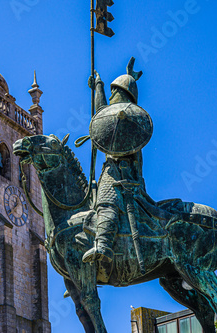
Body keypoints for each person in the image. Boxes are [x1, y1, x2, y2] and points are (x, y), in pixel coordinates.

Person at [82, 58, 166, 264]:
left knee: (106, 202)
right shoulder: (117, 119)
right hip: (111, 171)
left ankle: (103, 245)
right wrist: (99, 87)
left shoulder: (128, 121)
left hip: (121, 175)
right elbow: (102, 117)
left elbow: (106, 118)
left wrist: (121, 80)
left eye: (113, 92)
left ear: (121, 93)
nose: (110, 96)